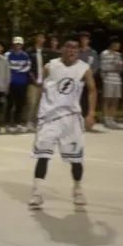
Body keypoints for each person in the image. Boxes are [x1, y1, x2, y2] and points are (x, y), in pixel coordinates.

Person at [29, 39, 97, 210]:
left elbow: (92, 90)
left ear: (78, 51)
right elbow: (41, 88)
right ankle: (37, 192)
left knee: (76, 158)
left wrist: (91, 113)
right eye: (68, 47)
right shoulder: (50, 66)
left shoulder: (84, 68)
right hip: (49, 117)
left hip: (71, 118)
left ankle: (77, 189)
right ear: (62, 49)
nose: (71, 51)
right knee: (43, 155)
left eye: (75, 48)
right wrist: (37, 111)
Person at [6, 37, 31, 132]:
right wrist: (18, 69)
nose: (17, 46)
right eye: (16, 44)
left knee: (20, 104)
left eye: (19, 44)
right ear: (13, 45)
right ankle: (8, 123)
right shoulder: (8, 55)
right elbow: (7, 67)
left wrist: (17, 70)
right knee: (10, 104)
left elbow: (28, 67)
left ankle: (18, 123)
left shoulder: (25, 55)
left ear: (22, 45)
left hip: (22, 83)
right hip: (11, 83)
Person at [100, 37, 123, 128]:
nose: (119, 46)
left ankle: (111, 118)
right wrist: (113, 67)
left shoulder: (119, 54)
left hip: (117, 79)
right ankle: (106, 118)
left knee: (115, 99)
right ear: (112, 44)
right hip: (108, 78)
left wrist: (116, 67)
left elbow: (121, 68)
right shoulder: (104, 53)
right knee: (107, 99)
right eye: (117, 44)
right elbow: (103, 67)